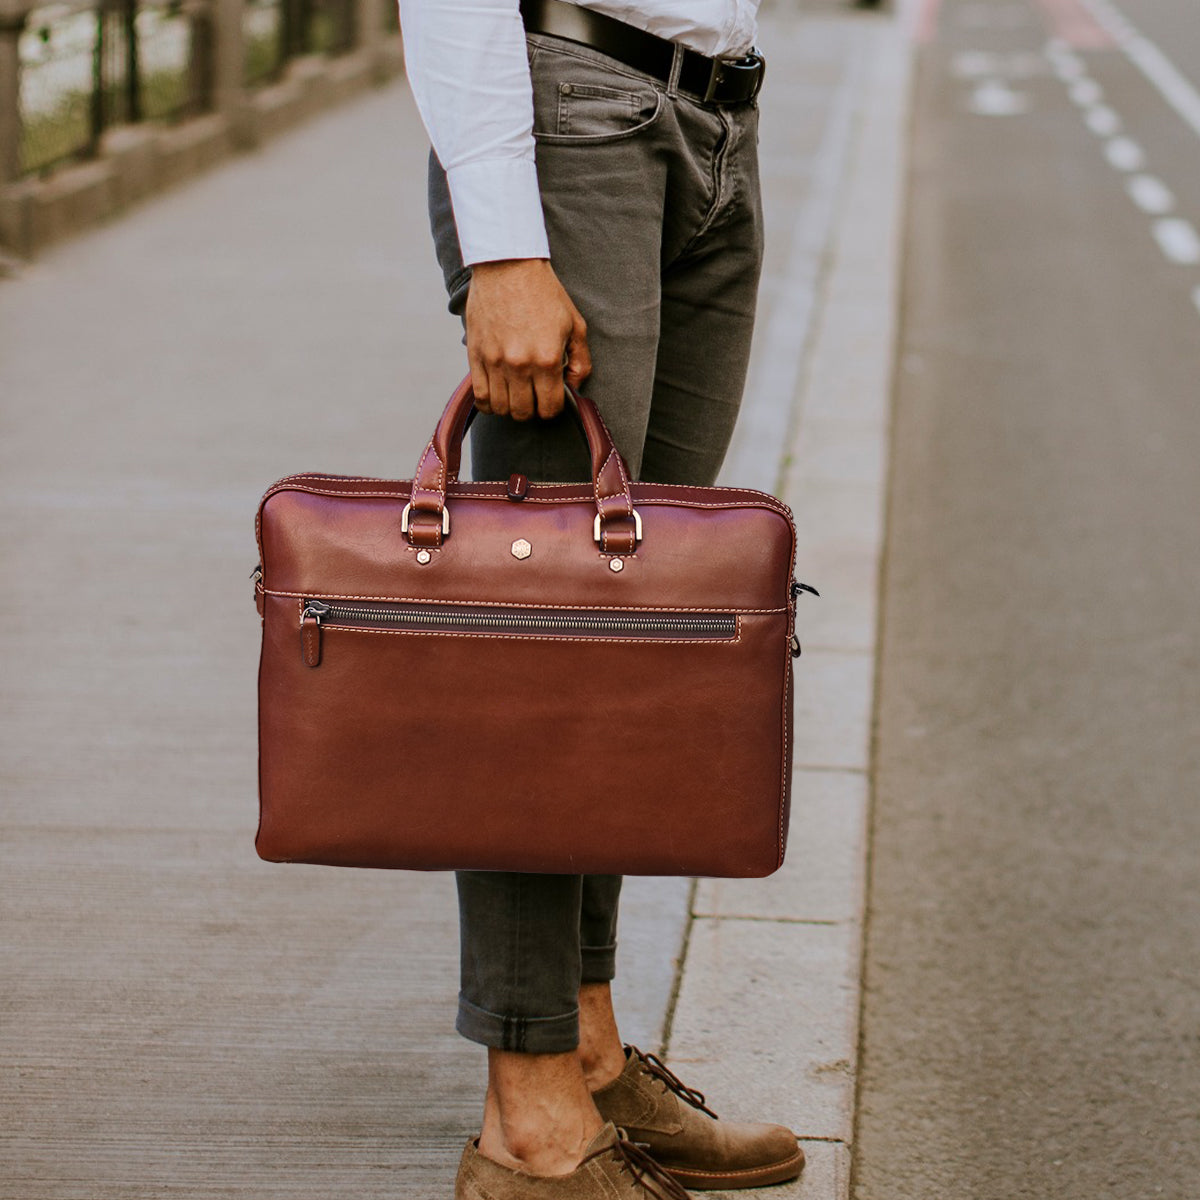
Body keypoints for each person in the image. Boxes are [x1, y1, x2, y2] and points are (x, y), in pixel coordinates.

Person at [396, 1, 804, 1196]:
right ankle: (530, 1125)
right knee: (549, 640)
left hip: (716, 114)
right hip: (575, 112)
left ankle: (585, 1040)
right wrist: (503, 246)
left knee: (630, 642)